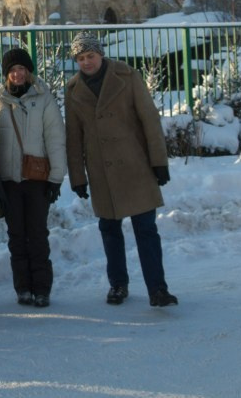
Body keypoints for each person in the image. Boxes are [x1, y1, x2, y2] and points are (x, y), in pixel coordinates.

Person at [64, 32, 179, 308]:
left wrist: (158, 161)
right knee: (109, 230)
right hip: (101, 170)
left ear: (100, 54)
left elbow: (149, 118)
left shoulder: (127, 76)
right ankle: (118, 284)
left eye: (90, 55)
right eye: (80, 58)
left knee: (146, 230)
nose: (86, 62)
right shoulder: (72, 89)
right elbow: (73, 136)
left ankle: (158, 289)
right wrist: (78, 177)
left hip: (135, 164)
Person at [0, 48, 66, 308]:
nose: (17, 74)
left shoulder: (44, 99)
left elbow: (55, 139)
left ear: (28, 71)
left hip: (37, 179)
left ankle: (42, 288)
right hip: (9, 181)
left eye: (22, 69)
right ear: (6, 73)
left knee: (38, 235)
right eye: (12, 70)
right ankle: (22, 288)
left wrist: (56, 178)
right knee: (16, 236)